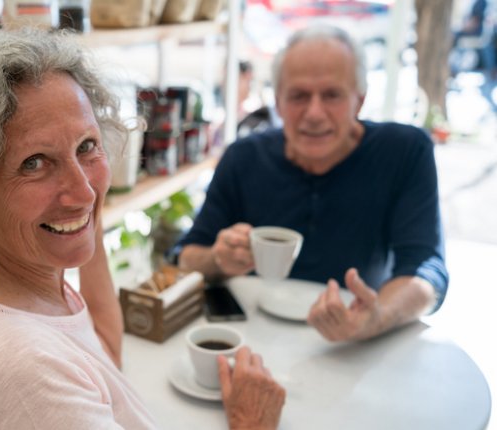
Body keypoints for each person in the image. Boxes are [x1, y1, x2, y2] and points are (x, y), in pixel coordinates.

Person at [0, 28, 285, 429]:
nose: (82, 190)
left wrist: (86, 209)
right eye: (34, 162)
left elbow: (101, 345)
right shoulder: (24, 371)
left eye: (86, 145)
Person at [176, 25, 449, 343]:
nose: (314, 113)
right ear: (278, 103)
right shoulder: (243, 157)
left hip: (359, 344)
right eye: (299, 96)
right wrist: (218, 259)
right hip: (253, 338)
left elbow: (425, 269)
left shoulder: (404, 150)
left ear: (359, 101)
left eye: (332, 95)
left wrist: (376, 318)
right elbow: (186, 255)